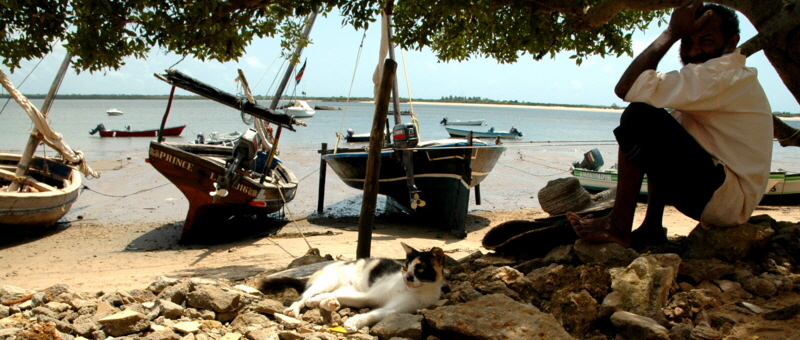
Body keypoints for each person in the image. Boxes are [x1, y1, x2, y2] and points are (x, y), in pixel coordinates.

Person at [566, 0, 773, 249]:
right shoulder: (724, 78)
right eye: (688, 42)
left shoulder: (719, 76)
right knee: (663, 124)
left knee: (639, 115)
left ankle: (619, 225)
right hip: (726, 198)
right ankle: (652, 227)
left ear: (731, 43)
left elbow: (626, 88)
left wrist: (672, 33)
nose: (694, 52)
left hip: (724, 198)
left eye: (706, 41)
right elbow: (663, 143)